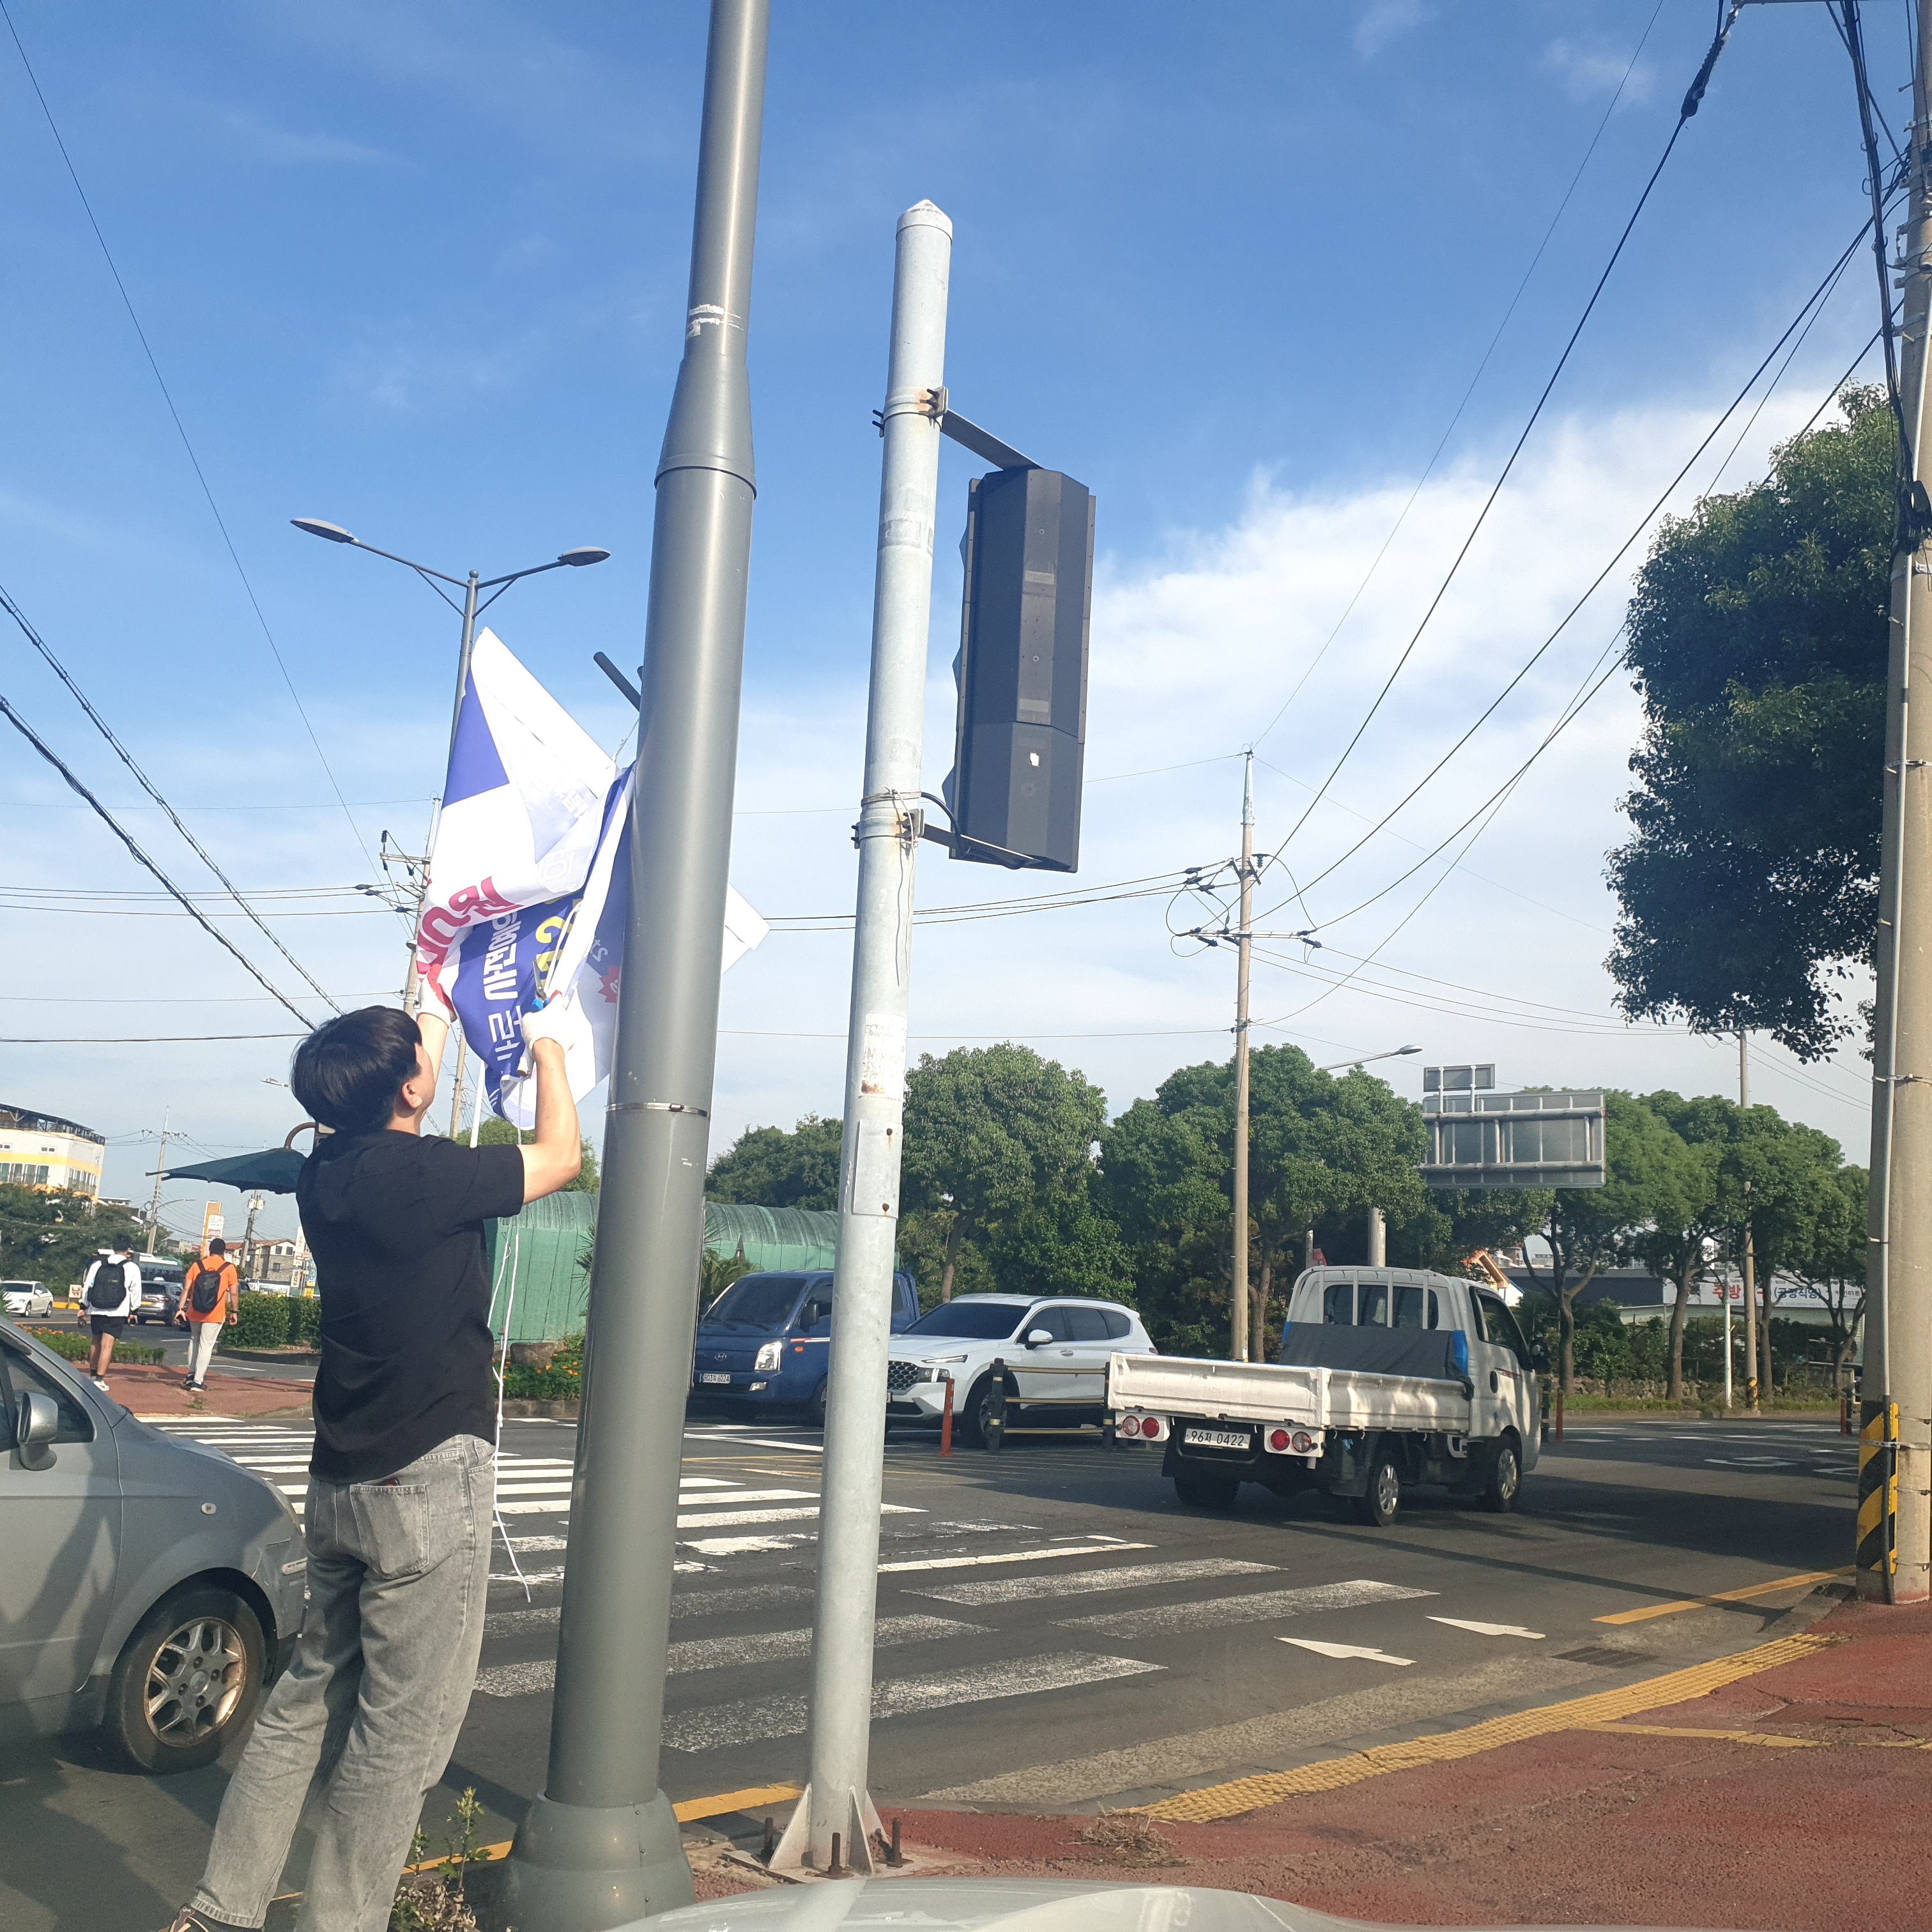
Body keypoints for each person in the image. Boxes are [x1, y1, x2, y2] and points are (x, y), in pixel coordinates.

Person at [162, 999, 579, 1932]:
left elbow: (406, 1081)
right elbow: (560, 1158)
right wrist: (550, 1045)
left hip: (344, 1479)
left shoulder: (330, 1172)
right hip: (427, 1476)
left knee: (304, 1701)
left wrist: (433, 1004)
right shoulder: (425, 1175)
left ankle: (221, 1913)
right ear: (407, 1089)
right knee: (400, 1736)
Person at [176, 1238, 239, 1392]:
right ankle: (198, 1382)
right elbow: (235, 1292)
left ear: (210, 1250)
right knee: (206, 1346)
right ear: (224, 1252)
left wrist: (180, 1309)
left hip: (195, 1311)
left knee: (194, 1341)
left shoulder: (197, 1265)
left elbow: (186, 1289)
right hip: (215, 1313)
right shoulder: (229, 1268)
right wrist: (234, 1311)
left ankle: (191, 1375)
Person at [80, 1243, 141, 1390]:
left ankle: (92, 1375)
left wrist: (83, 1307)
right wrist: (134, 1311)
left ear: (113, 1248)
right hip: (117, 1310)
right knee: (107, 1344)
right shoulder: (131, 1267)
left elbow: (88, 1286)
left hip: (96, 1308)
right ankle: (100, 1379)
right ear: (128, 1250)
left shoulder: (97, 1264)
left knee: (96, 1341)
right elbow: (136, 1290)